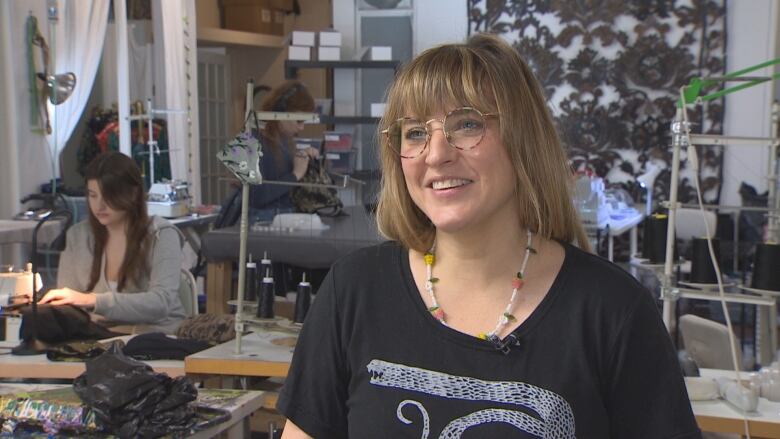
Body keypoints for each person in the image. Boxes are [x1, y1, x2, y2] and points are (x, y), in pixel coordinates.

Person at [277, 34, 700, 438]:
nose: (437, 154)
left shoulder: (614, 312)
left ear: (523, 139)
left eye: (466, 124)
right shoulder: (352, 292)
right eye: (416, 132)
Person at [40, 152, 186, 334]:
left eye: (108, 196)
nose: (99, 206)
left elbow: (161, 303)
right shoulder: (77, 236)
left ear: (133, 194)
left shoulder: (161, 235)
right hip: (97, 338)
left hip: (155, 338)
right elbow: (69, 305)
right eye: (93, 196)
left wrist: (92, 300)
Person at [249, 80, 320, 223]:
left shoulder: (283, 141)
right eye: (299, 121)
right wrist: (296, 174)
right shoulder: (251, 139)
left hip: (280, 218)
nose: (301, 128)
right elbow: (255, 196)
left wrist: (303, 159)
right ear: (282, 113)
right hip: (262, 222)